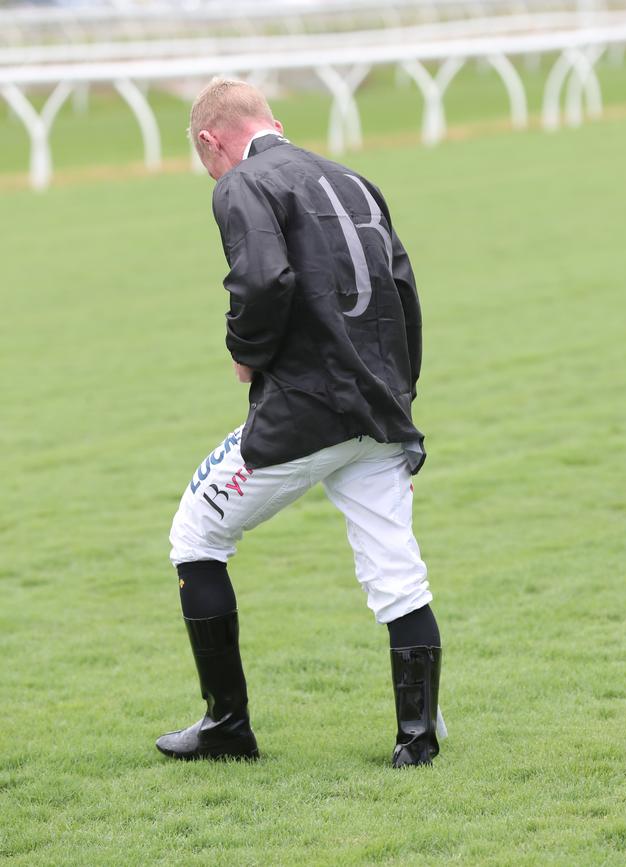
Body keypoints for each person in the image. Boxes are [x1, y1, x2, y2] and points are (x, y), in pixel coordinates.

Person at [156, 78, 445, 768]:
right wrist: (400, 402)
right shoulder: (353, 177)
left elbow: (264, 280)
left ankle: (228, 725)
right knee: (397, 573)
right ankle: (418, 739)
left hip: (306, 414)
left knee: (195, 534)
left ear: (209, 140)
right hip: (380, 409)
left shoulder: (241, 183)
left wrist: (245, 355)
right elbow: (404, 292)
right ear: (274, 121)